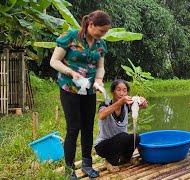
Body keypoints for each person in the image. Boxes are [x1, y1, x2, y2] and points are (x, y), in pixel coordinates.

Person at [49, 10, 111, 179]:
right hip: (70, 88)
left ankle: (86, 164)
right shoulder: (70, 37)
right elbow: (54, 61)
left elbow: (100, 67)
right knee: (73, 127)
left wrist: (99, 79)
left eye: (105, 32)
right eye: (101, 30)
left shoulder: (100, 44)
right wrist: (70, 72)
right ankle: (70, 169)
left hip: (89, 90)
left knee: (88, 127)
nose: (103, 34)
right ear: (91, 25)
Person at [94, 79, 148, 172]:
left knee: (136, 137)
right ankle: (109, 161)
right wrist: (119, 102)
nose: (122, 93)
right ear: (113, 92)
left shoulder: (126, 106)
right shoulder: (105, 105)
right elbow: (101, 115)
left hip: (120, 142)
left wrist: (143, 102)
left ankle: (125, 158)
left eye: (124, 90)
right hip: (103, 146)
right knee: (123, 136)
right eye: (118, 90)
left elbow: (143, 106)